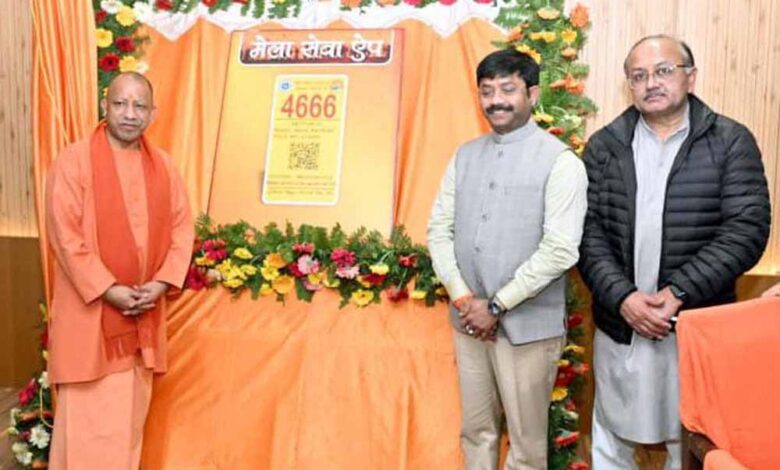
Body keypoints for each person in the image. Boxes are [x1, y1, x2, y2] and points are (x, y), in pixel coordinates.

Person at [578, 35, 771, 469]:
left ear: (691, 77)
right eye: (639, 75)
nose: (652, 83)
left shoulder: (730, 141)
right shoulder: (605, 145)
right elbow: (587, 233)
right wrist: (623, 297)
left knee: (689, 440)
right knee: (611, 438)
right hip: (622, 324)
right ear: (629, 85)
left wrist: (678, 292)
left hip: (693, 325)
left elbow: (747, 230)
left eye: (664, 70)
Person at [427, 48, 587, 469]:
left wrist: (497, 305)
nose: (496, 100)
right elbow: (438, 232)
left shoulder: (561, 162)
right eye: (487, 91)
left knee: (526, 446)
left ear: (532, 94)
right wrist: (465, 300)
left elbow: (560, 249)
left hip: (529, 328)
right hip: (469, 323)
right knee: (476, 432)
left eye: (507, 89)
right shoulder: (464, 155)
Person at [45, 72, 194, 470]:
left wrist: (161, 283)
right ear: (104, 107)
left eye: (139, 106)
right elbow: (65, 237)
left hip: (142, 318)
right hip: (89, 318)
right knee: (85, 426)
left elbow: (182, 229)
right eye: (120, 104)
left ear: (153, 114)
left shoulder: (164, 167)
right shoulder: (74, 161)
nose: (130, 114)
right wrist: (108, 288)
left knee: (127, 427)